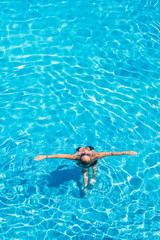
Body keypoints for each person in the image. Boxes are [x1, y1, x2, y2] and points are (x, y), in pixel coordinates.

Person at [34, 146, 137, 193]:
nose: (85, 150)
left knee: (85, 173)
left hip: (83, 165)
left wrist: (45, 156)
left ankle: (85, 188)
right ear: (90, 155)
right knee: (94, 169)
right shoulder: (96, 156)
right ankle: (94, 178)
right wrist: (127, 152)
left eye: (85, 152)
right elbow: (112, 154)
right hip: (93, 163)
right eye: (87, 152)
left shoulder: (75, 157)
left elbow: (59, 155)